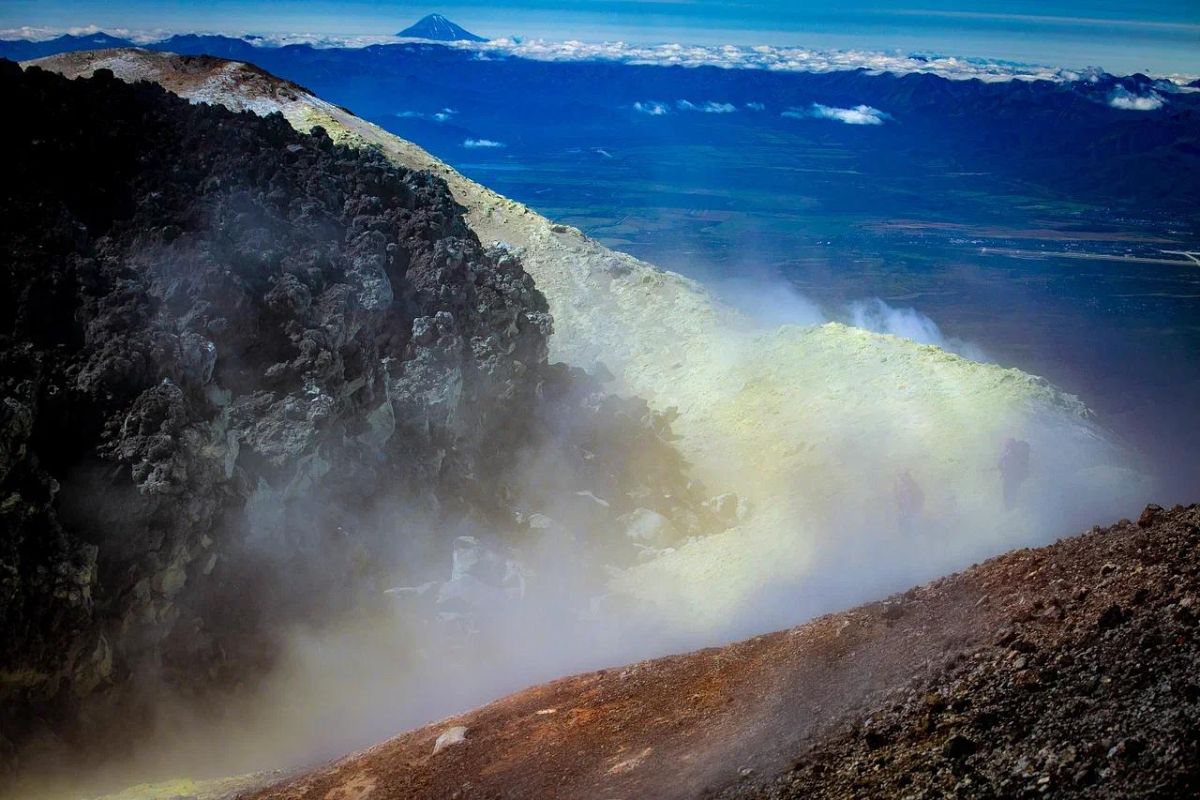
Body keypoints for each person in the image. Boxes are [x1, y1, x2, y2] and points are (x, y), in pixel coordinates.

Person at [998, 438, 1031, 510]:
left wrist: (1003, 471)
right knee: (1013, 492)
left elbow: (1000, 463)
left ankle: (1009, 508)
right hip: (1018, 477)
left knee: (1009, 493)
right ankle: (1012, 508)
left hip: (1012, 477)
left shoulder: (1009, 453)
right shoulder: (1021, 451)